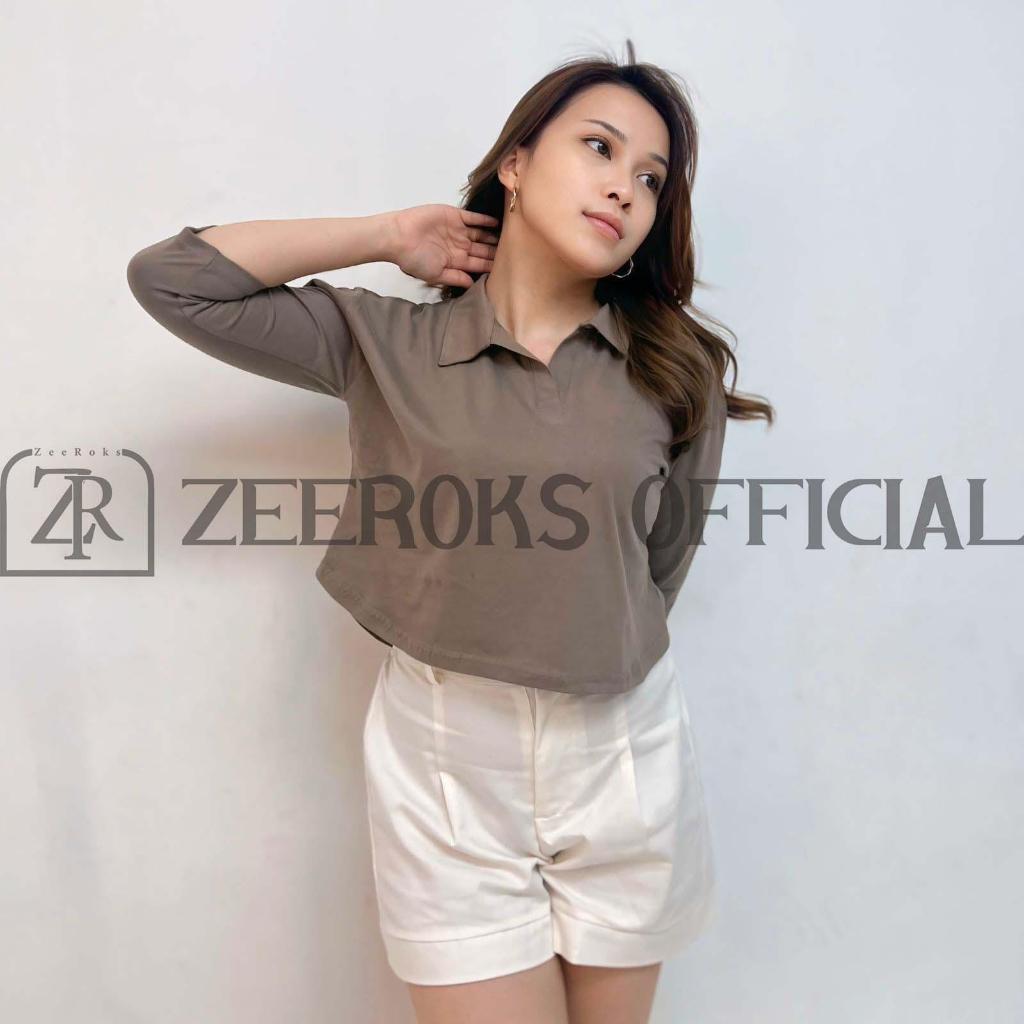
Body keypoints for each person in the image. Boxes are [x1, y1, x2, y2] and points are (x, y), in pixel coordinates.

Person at [127, 39, 772, 1024]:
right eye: (599, 147)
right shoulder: (388, 344)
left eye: (651, 178)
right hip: (445, 761)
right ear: (515, 163)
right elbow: (172, 279)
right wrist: (387, 234)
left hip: (622, 752)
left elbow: (656, 571)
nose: (625, 188)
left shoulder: (674, 371)